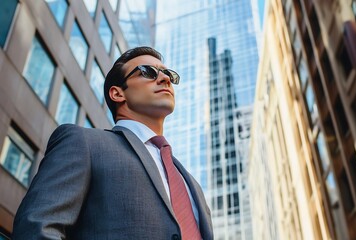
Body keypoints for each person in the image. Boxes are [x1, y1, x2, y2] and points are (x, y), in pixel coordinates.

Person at [12, 46, 213, 239]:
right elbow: (36, 228)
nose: (165, 78)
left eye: (168, 74)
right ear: (117, 93)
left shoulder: (190, 183)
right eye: (148, 72)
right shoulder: (84, 143)